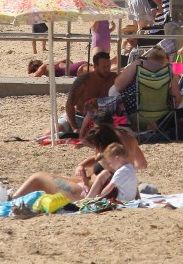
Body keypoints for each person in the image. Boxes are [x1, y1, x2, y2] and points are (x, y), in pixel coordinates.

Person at [11, 122, 145, 202]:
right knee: (54, 179)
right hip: (87, 187)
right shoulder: (116, 151)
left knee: (38, 178)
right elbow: (99, 160)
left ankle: (12, 200)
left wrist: (85, 180)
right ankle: (15, 198)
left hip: (85, 193)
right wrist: (82, 166)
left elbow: (102, 185)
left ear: (99, 145)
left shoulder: (108, 161)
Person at [61, 49, 115, 134]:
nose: (107, 70)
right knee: (55, 129)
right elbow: (69, 104)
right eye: (104, 67)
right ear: (95, 66)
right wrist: (74, 127)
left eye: (109, 67)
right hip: (78, 117)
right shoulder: (84, 81)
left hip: (100, 120)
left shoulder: (113, 78)